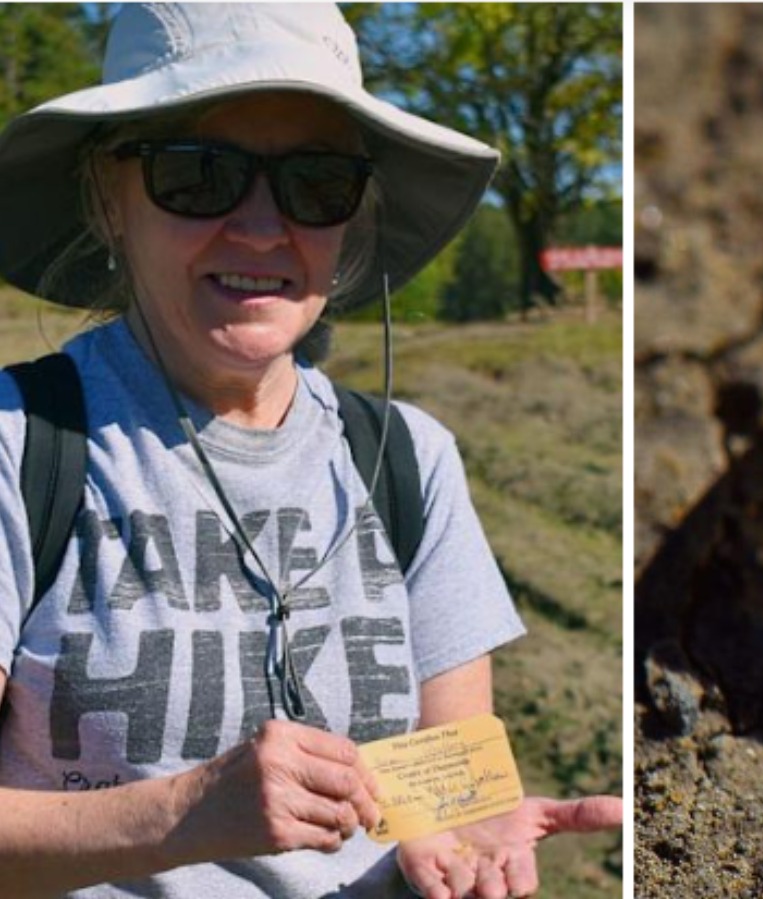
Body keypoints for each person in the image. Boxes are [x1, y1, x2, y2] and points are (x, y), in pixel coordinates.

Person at [0, 4, 621, 898]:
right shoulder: (24, 449)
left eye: (315, 182)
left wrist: (461, 840)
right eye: (198, 173)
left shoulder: (412, 459)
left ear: (353, 212)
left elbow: (447, 779)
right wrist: (184, 809)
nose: (261, 228)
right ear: (109, 194)